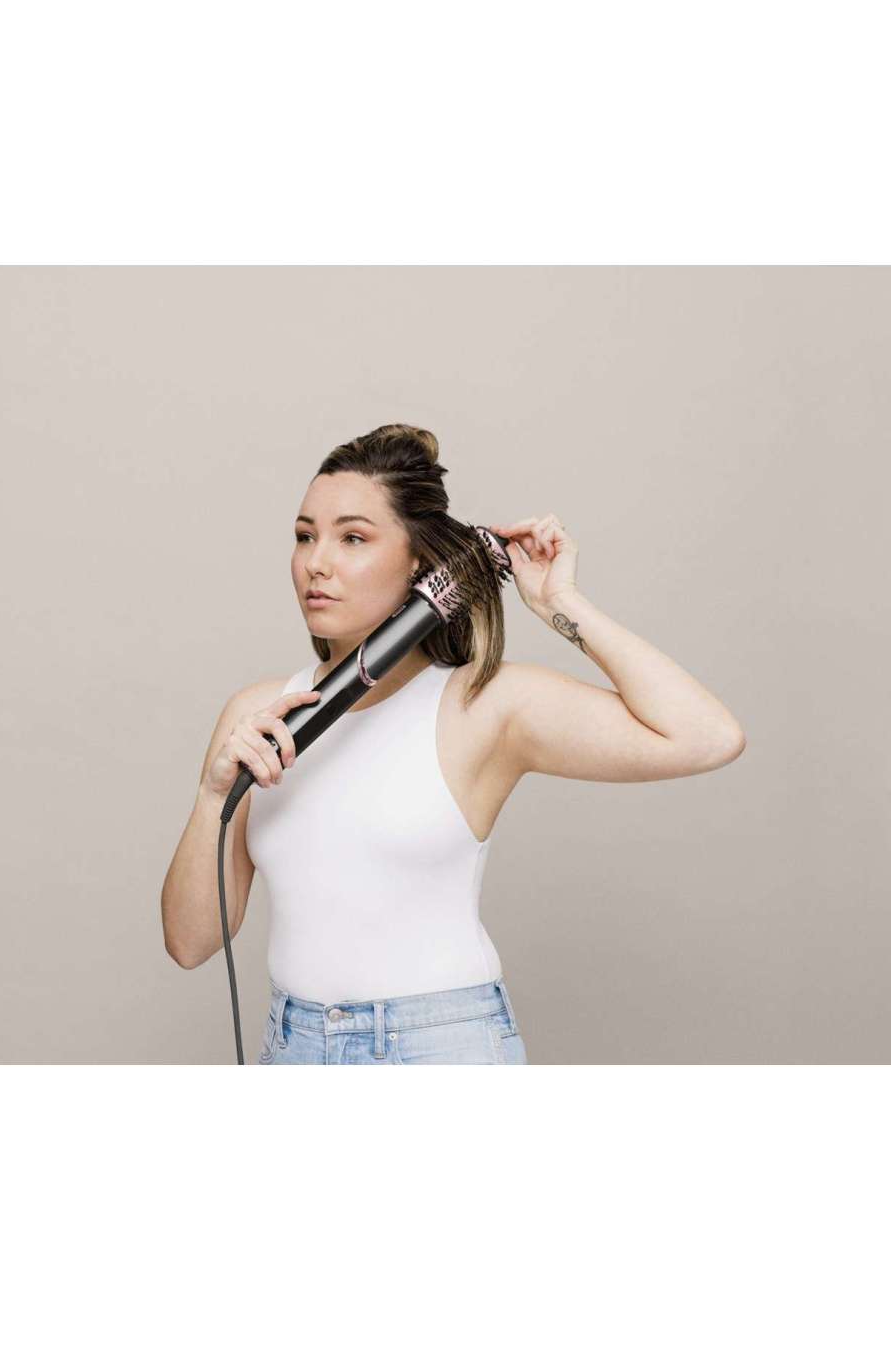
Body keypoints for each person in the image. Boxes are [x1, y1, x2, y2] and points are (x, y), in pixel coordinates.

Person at [161, 423, 746, 1063]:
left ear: (418, 561)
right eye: (305, 536)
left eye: (352, 537)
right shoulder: (256, 717)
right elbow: (190, 944)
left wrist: (559, 602)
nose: (316, 563)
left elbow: (707, 736)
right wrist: (212, 795)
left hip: (437, 1047)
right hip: (293, 1045)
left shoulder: (483, 706)